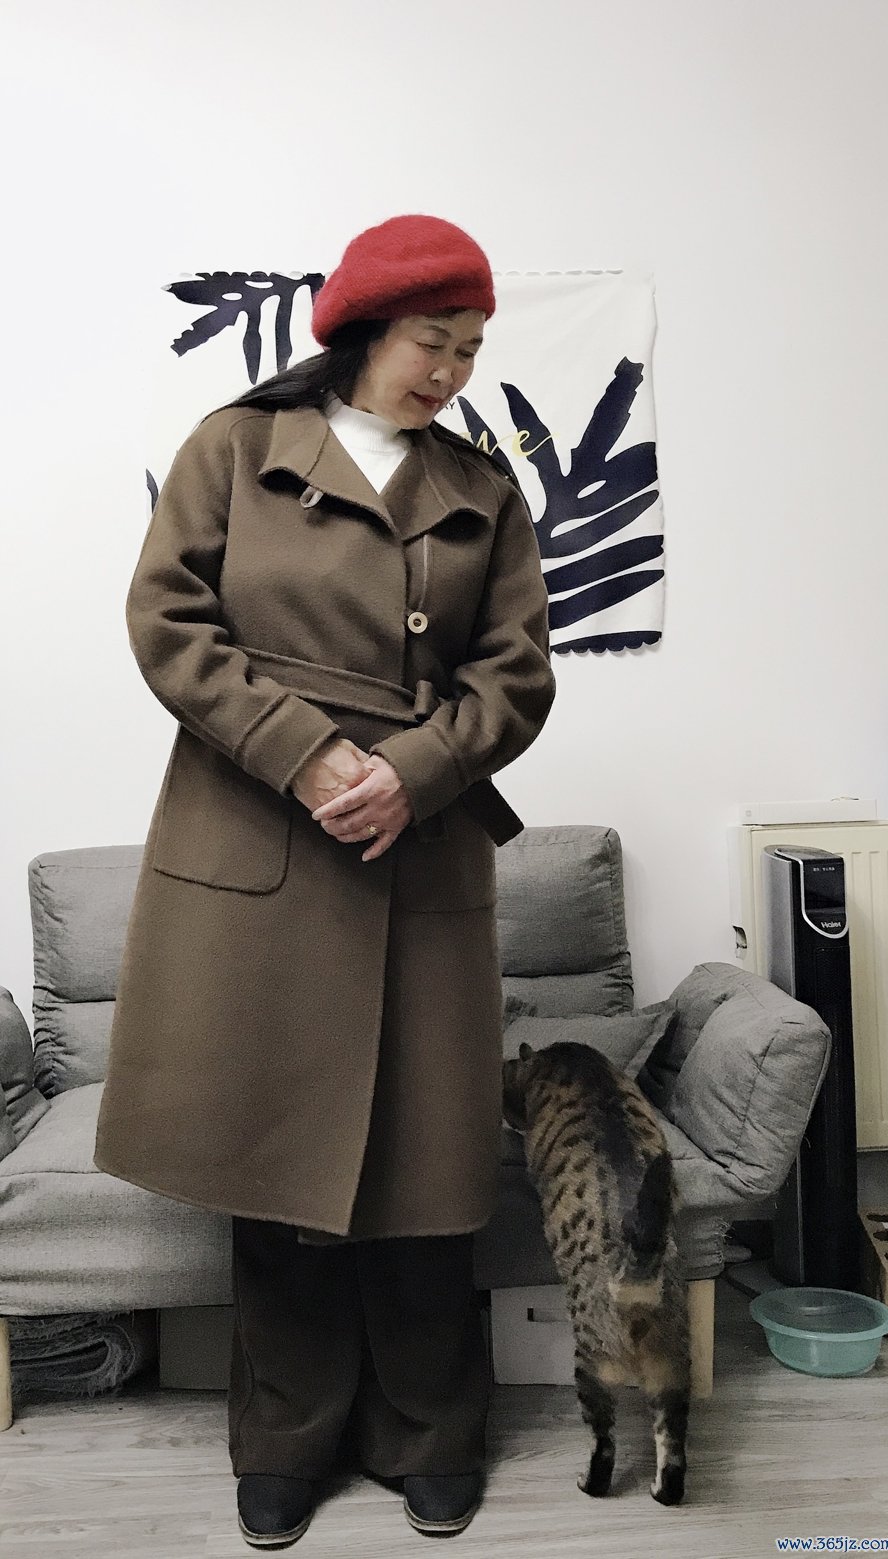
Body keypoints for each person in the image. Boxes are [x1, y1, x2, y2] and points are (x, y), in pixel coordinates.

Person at [93, 213, 556, 1548]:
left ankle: (431, 1432)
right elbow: (167, 623)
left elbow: (516, 674)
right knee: (275, 1150)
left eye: (470, 351)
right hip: (256, 832)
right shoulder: (235, 450)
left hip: (421, 845)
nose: (451, 372)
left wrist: (415, 771)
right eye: (433, 342)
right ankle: (285, 1439)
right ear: (362, 329)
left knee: (427, 1162)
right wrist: (302, 754)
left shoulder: (484, 491)